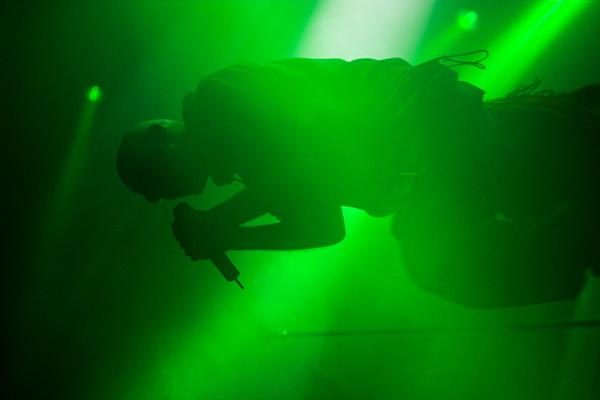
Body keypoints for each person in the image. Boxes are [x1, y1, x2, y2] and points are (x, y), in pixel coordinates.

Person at [116, 55, 599, 308]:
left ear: (161, 136)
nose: (161, 195)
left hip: (421, 118)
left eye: (151, 181)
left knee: (435, 255)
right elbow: (323, 228)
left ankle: (581, 238)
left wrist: (220, 223)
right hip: (430, 153)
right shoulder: (250, 166)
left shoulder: (217, 97)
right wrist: (230, 235)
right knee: (548, 160)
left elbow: (311, 164)